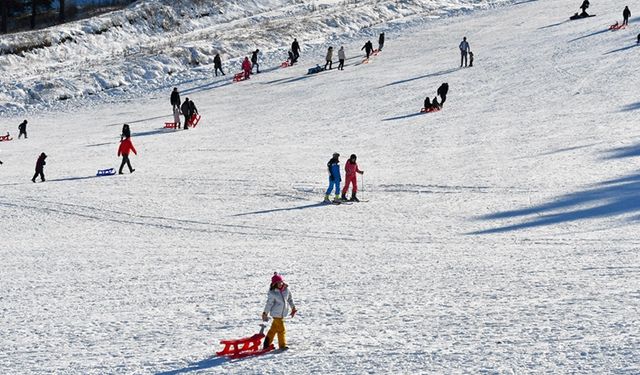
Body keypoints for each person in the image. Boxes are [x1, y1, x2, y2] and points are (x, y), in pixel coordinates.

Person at [262, 273, 297, 350]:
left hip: (282, 314)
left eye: (281, 282)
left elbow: (290, 299)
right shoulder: (273, 293)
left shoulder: (286, 290)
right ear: (274, 284)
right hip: (276, 314)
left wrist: (293, 308)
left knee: (273, 330)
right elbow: (269, 304)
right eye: (278, 283)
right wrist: (265, 313)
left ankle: (266, 344)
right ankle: (282, 345)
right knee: (281, 330)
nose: (280, 284)